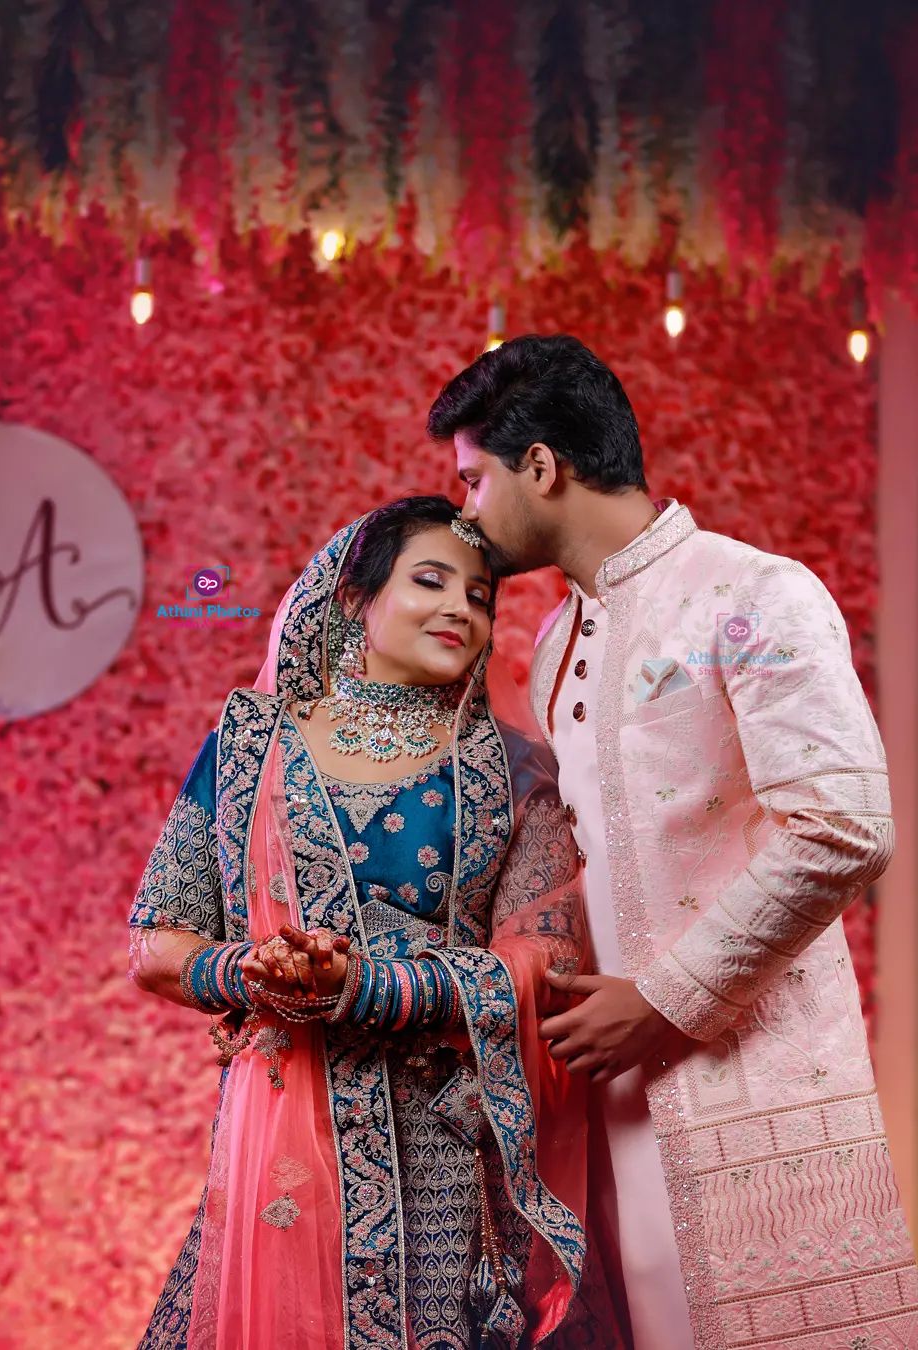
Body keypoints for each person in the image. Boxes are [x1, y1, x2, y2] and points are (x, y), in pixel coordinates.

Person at [427, 335, 918, 1349]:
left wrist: (665, 1000)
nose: (466, 511)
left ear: (543, 467)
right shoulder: (560, 636)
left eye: (474, 479)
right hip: (608, 1100)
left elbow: (847, 823)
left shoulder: (752, 595)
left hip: (750, 1087)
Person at [126, 495, 612, 1350]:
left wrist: (374, 986)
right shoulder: (250, 749)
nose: (461, 609)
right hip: (279, 1122)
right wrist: (254, 973)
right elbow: (157, 940)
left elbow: (547, 955)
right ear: (355, 599)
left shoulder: (509, 766)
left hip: (442, 1138)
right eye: (431, 581)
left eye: (480, 596)